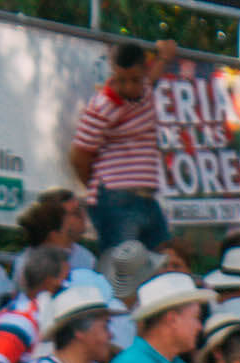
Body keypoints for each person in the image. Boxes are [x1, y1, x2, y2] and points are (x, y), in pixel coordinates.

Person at [71, 38, 176, 250]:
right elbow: (79, 156)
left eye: (135, 80)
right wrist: (106, 189)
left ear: (143, 73)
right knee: (122, 270)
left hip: (146, 199)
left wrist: (164, 58)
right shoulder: (103, 106)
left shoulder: (145, 89)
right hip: (116, 198)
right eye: (121, 80)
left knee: (161, 262)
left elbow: (151, 79)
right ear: (113, 73)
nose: (128, 87)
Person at [15, 188, 96, 282]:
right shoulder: (27, 262)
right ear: (55, 222)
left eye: (83, 209)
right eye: (76, 212)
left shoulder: (87, 258)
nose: (83, 215)